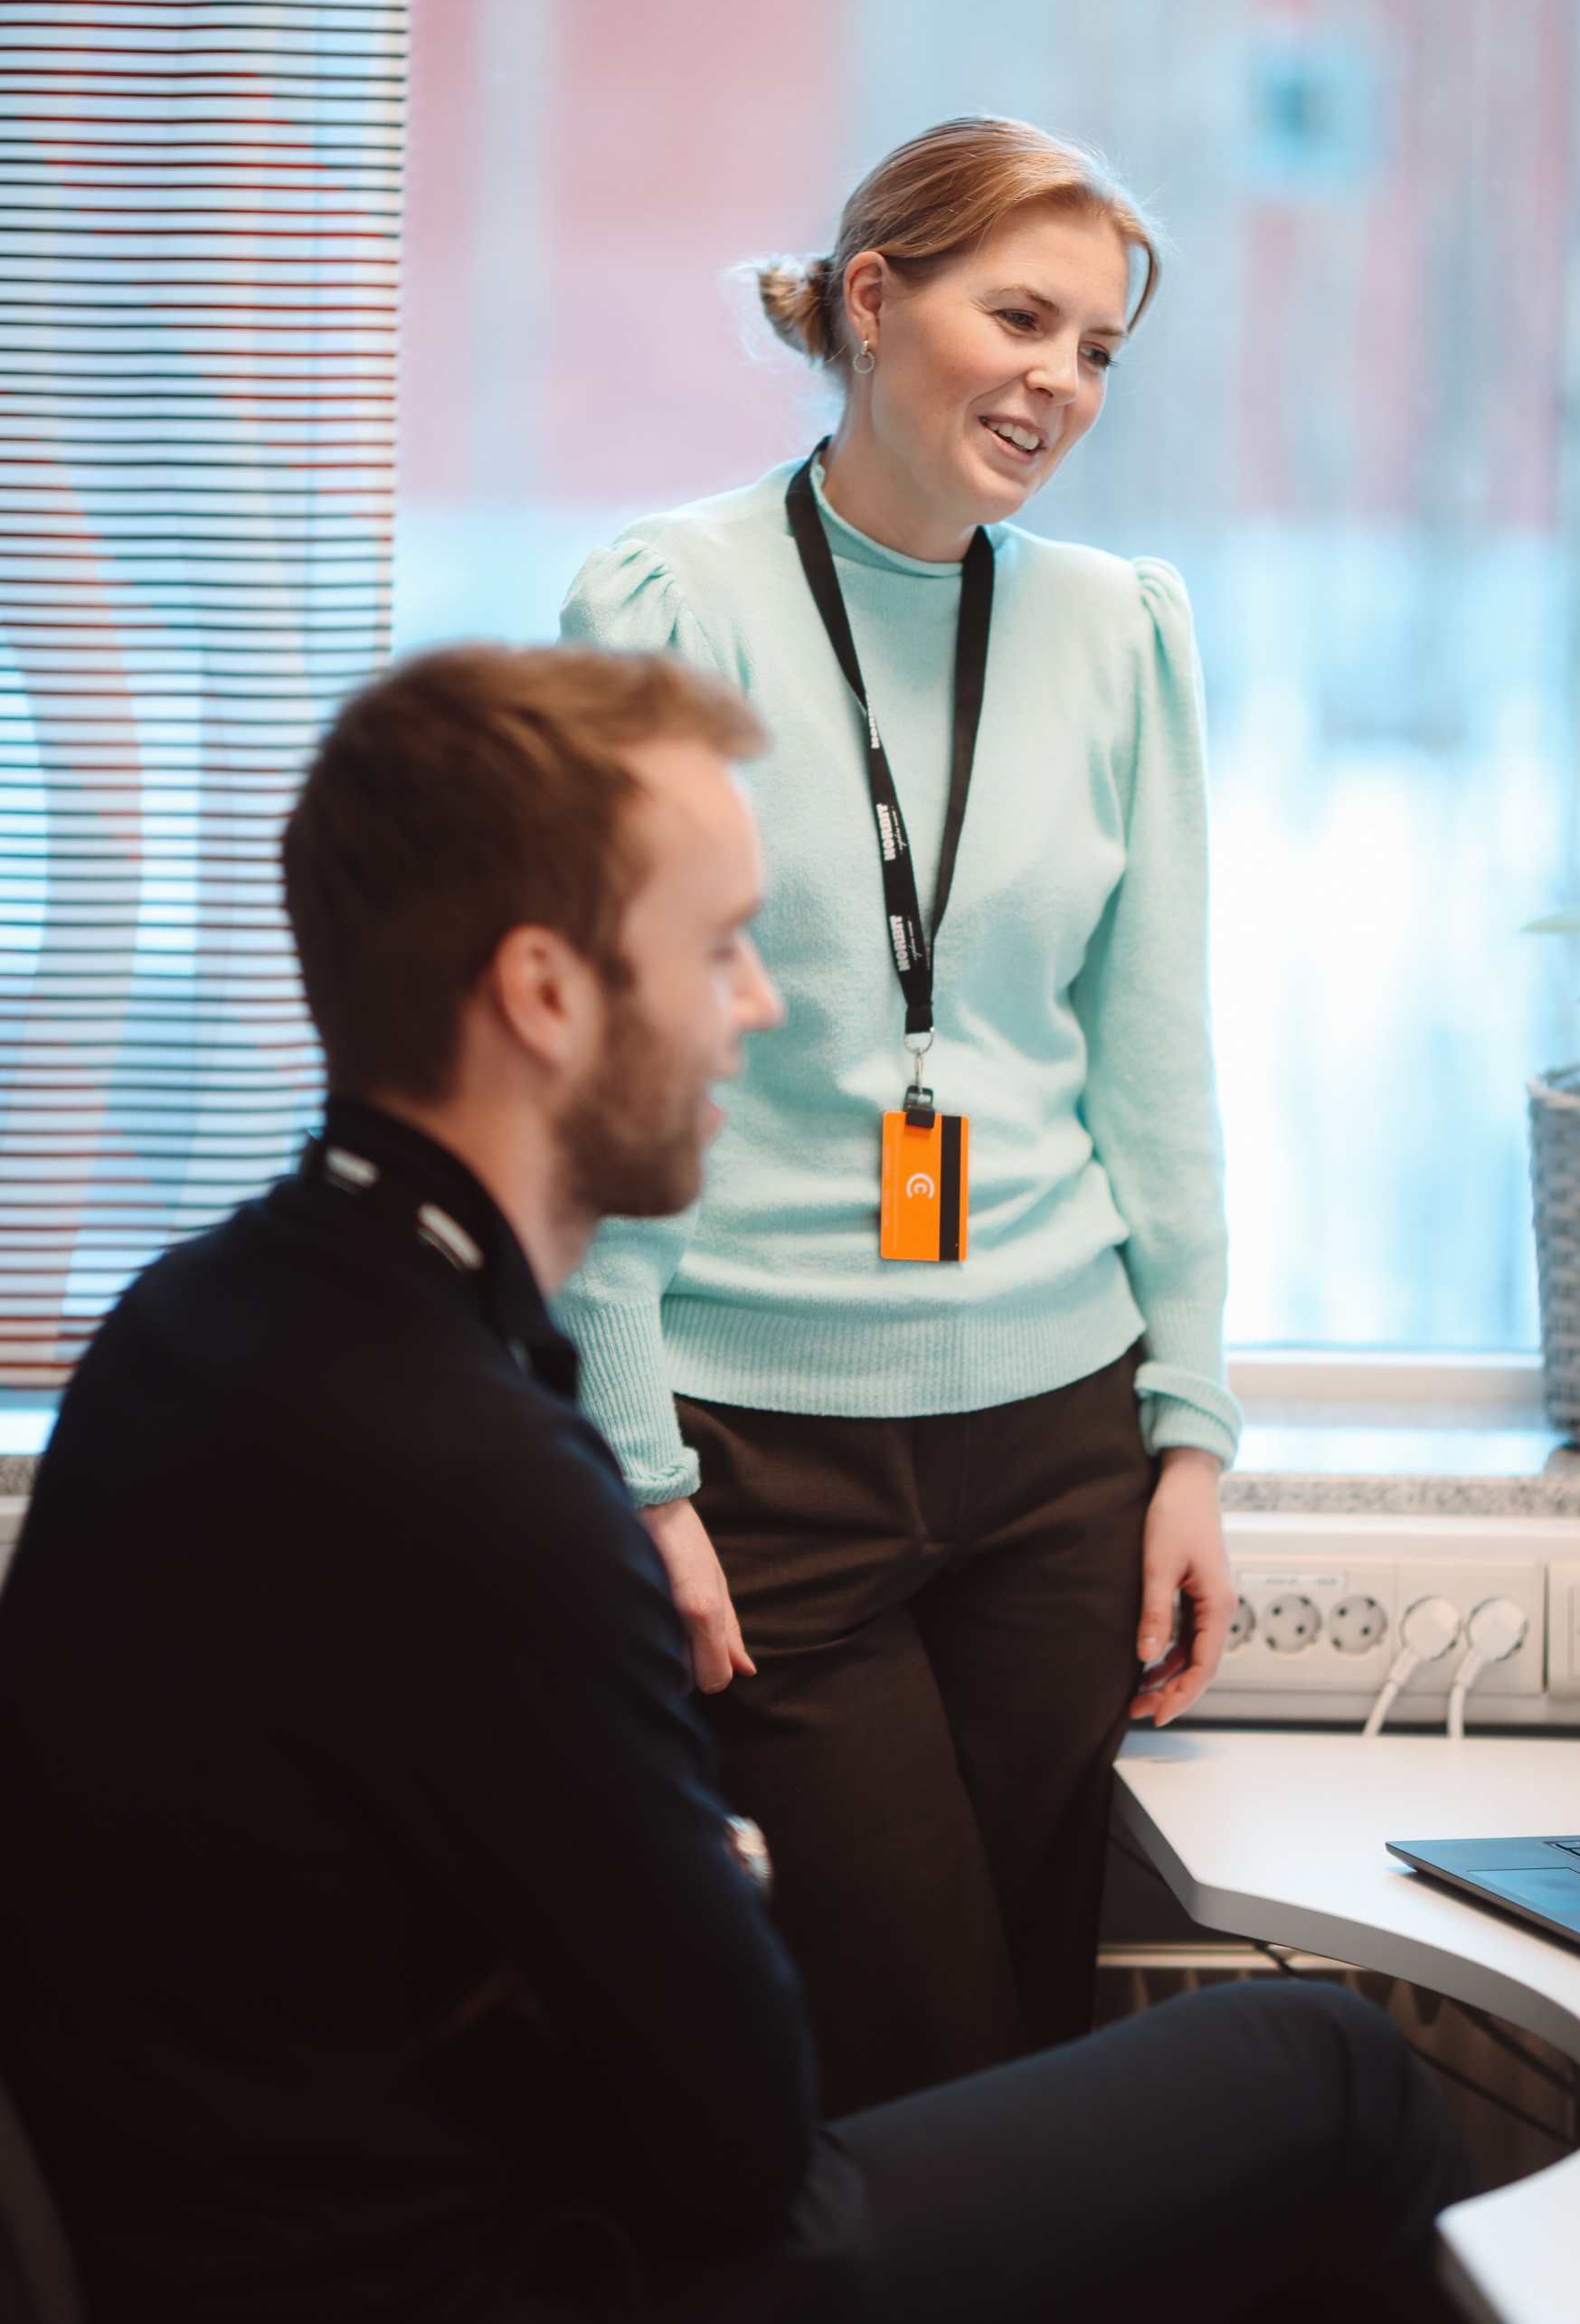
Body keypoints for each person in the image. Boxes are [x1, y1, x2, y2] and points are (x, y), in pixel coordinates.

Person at [0, 643, 1471, 2324]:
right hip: (490, 2276)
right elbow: (737, 2154)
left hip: (239, 2238)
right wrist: (717, 1873)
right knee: (1331, 2069)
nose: (758, 1006)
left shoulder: (189, 1324)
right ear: (546, 994)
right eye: (717, 948)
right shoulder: (486, 1484)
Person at [558, 115, 1240, 2110]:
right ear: (873, 300)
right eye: (1018, 318)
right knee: (907, 2059)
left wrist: (1188, 1434)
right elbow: (594, 1074)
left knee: (1022, 2038)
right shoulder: (668, 606)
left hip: (1058, 1450)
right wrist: (639, 1470)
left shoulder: (1120, 631)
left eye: (1097, 348)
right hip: (761, 1452)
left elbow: (1155, 1056)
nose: (1060, 382)